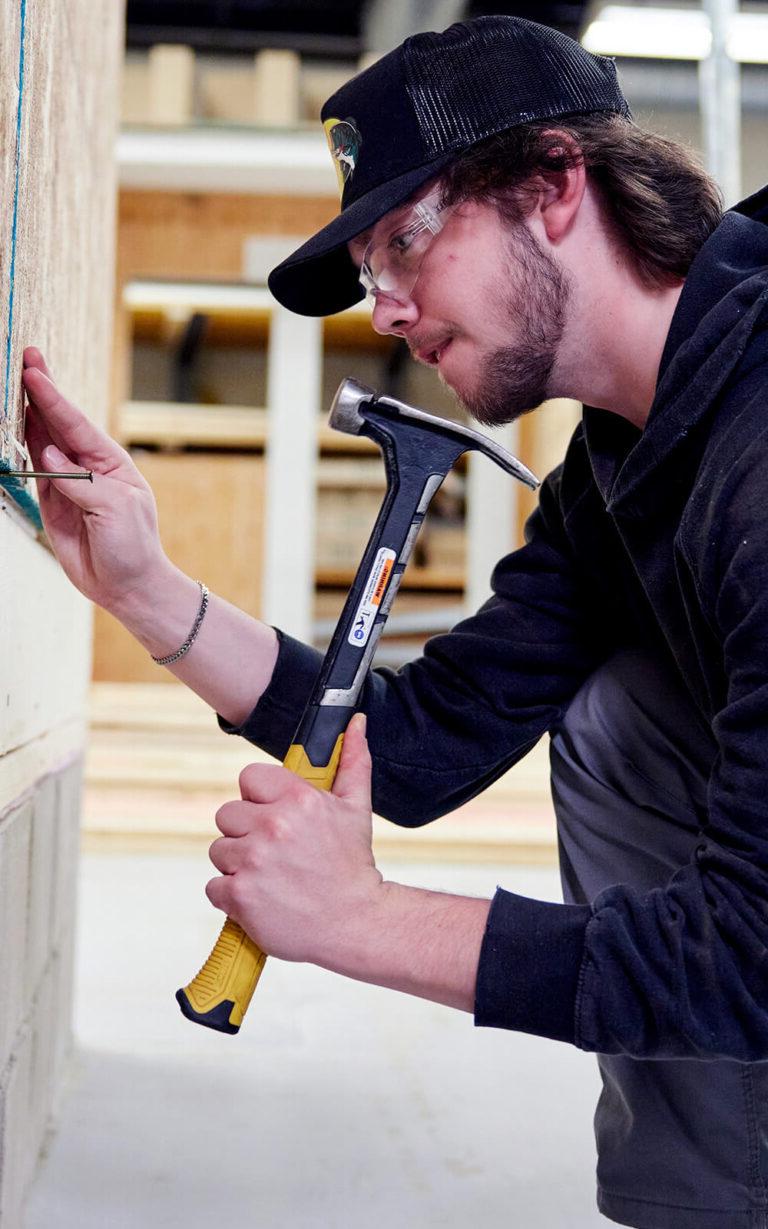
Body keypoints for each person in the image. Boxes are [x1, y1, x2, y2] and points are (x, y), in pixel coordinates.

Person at [21, 13, 768, 1228]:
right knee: (614, 712)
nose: (388, 310)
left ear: (555, 182)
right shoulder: (620, 472)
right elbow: (416, 748)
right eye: (370, 271)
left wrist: (361, 921)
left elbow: (751, 951)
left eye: (405, 244)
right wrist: (145, 589)